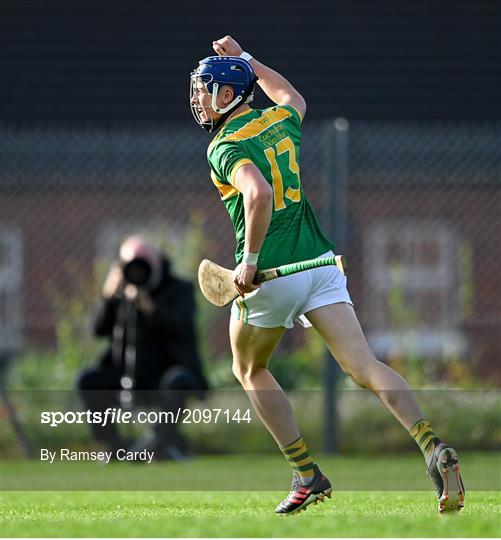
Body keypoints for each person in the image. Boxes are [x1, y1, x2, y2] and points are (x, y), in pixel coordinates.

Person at [190, 36, 465, 514]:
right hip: (319, 265)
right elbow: (293, 96)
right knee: (364, 367)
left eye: (207, 88)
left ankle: (306, 474)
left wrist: (249, 262)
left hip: (271, 275)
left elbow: (256, 195)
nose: (198, 98)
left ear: (230, 96)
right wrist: (248, 59)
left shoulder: (223, 145)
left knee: (248, 368)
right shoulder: (279, 120)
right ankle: (431, 445)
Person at [77, 235, 209, 460]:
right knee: (88, 380)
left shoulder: (180, 289)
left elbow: (183, 329)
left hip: (166, 372)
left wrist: (151, 308)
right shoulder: (120, 294)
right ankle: (114, 447)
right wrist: (109, 296)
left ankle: (157, 445)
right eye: (131, 264)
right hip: (126, 374)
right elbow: (98, 330)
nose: (138, 271)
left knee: (179, 381)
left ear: (157, 261)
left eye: (144, 262)